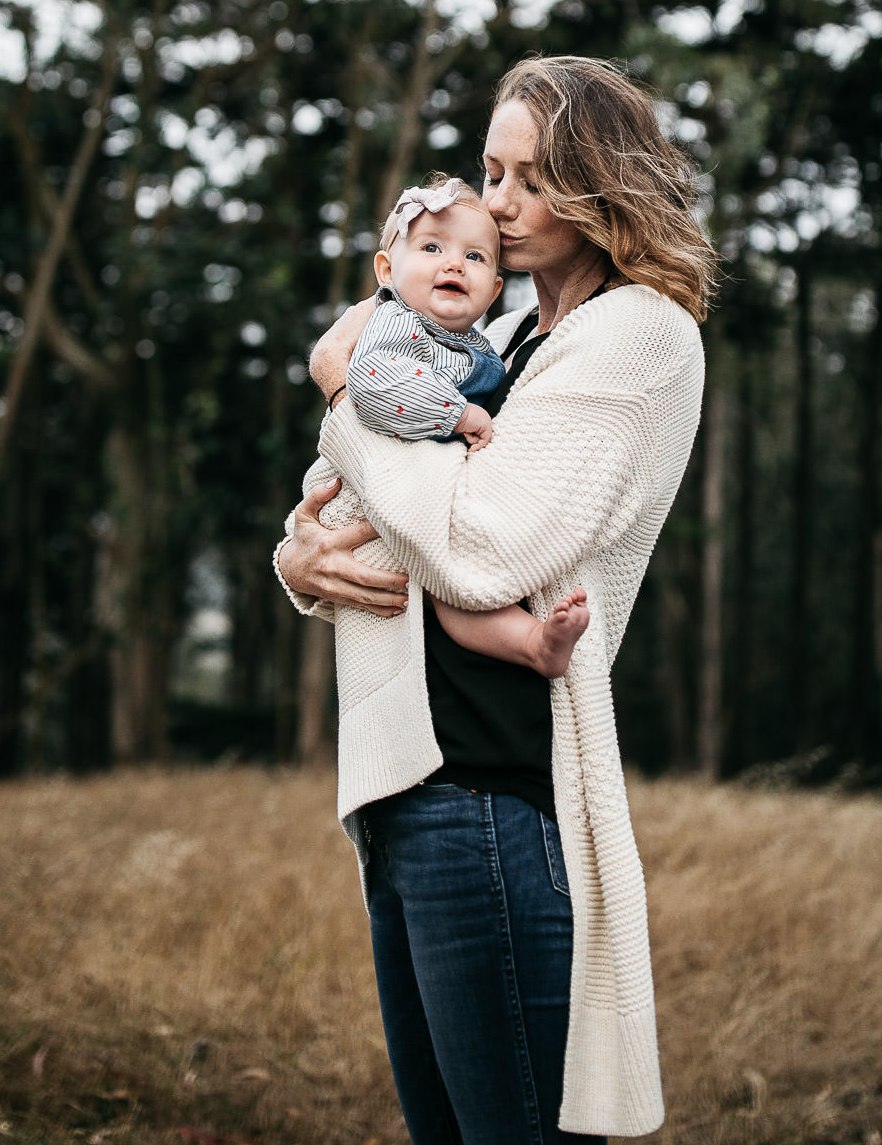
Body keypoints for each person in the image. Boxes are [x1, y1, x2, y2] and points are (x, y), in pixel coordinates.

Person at [275, 55, 713, 1145]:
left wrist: (345, 392)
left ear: (598, 186)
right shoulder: (504, 341)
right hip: (410, 791)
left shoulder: (639, 336)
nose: (498, 203)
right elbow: (392, 519)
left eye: (530, 178)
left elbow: (474, 548)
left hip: (490, 797)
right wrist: (299, 561)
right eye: (490, 170)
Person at [346, 170, 591, 679]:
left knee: (455, 589)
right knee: (453, 585)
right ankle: (530, 643)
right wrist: (455, 413)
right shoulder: (396, 322)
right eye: (432, 248)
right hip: (378, 496)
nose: (454, 263)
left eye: (474, 257)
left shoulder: (482, 343)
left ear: (494, 288)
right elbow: (372, 384)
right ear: (387, 271)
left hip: (424, 500)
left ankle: (534, 642)